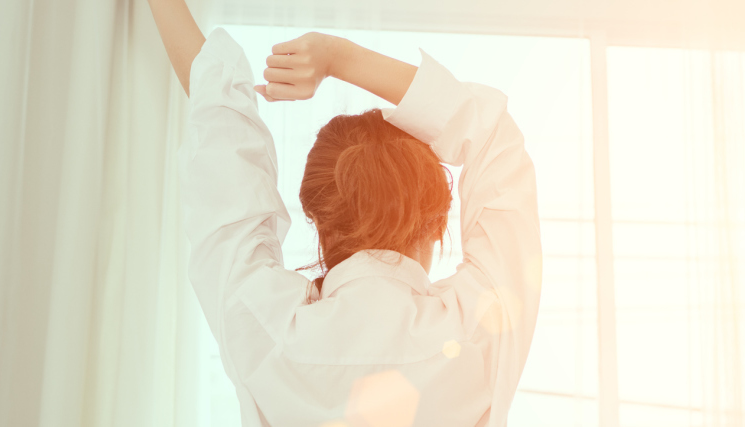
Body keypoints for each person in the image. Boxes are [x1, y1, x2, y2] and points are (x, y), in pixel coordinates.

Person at [147, 0, 543, 426]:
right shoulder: (478, 330)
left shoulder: (266, 327)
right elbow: (489, 130)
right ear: (435, 222)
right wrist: (338, 57)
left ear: (318, 220)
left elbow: (221, 128)